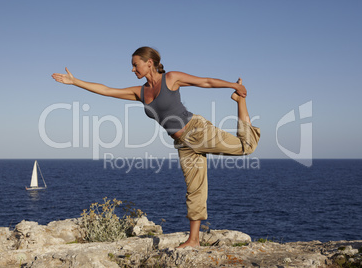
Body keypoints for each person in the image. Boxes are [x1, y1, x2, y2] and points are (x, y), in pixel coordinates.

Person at [52, 46, 260, 248]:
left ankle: (239, 102)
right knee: (194, 191)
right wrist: (75, 82)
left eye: (135, 65)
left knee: (246, 147)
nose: (133, 69)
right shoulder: (140, 92)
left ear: (149, 63)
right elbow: (107, 90)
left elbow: (204, 81)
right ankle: (193, 239)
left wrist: (234, 86)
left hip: (197, 130)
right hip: (182, 144)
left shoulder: (171, 78)